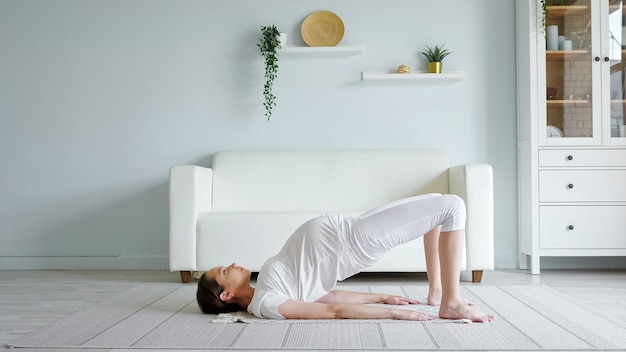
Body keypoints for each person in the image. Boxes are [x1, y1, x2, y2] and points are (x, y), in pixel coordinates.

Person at [196, 193, 494, 323]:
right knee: (452, 207)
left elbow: (325, 295)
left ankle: (437, 293)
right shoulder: (265, 303)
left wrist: (384, 298)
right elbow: (333, 312)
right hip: (355, 241)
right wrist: (393, 315)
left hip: (350, 228)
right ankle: (451, 303)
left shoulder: (265, 289)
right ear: (227, 293)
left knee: (438, 202)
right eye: (225, 270)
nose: (233, 264)